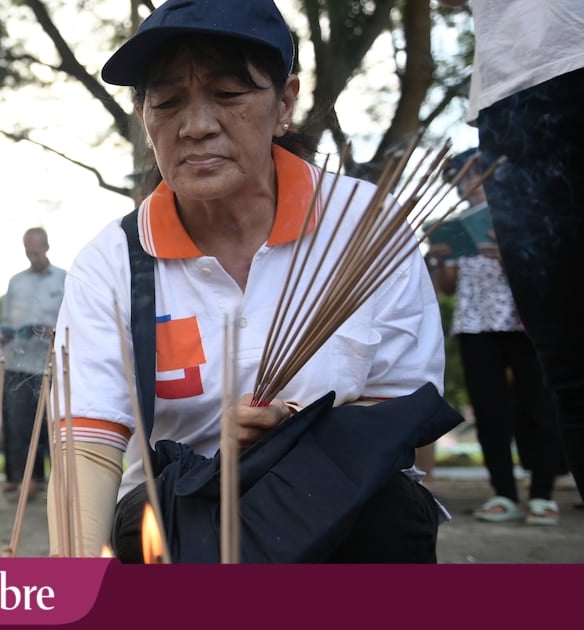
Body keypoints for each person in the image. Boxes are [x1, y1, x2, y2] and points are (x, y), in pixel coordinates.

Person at [51, 0, 446, 561]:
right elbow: (87, 445)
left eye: (228, 95)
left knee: (389, 514)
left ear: (284, 103)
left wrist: (294, 432)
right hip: (180, 520)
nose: (195, 126)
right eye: (165, 101)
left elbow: (400, 409)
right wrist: (70, 581)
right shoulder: (115, 261)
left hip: (342, 507)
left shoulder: (364, 226)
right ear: (144, 117)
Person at [437, 0, 584, 506]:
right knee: (565, 370)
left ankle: (542, 490)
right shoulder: (460, 220)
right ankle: (511, 491)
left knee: (557, 382)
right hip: (514, 82)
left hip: (549, 67)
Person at [427, 149, 566, 525]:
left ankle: (542, 496)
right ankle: (503, 494)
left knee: (539, 407)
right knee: (490, 412)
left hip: (523, 324)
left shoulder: (522, 218)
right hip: (474, 324)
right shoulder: (457, 225)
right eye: (458, 178)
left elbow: (550, 274)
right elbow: (449, 287)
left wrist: (508, 256)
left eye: (470, 175)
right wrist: (440, 259)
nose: (464, 185)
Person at [0, 227, 65, 494]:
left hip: (49, 362)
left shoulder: (63, 279)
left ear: (47, 247)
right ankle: (18, 476)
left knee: (48, 422)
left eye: (36, 251)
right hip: (17, 360)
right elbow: (6, 318)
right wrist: (3, 331)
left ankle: (50, 478)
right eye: (28, 251)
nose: (32, 256)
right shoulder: (16, 281)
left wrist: (53, 329)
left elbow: (73, 316)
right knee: (16, 421)